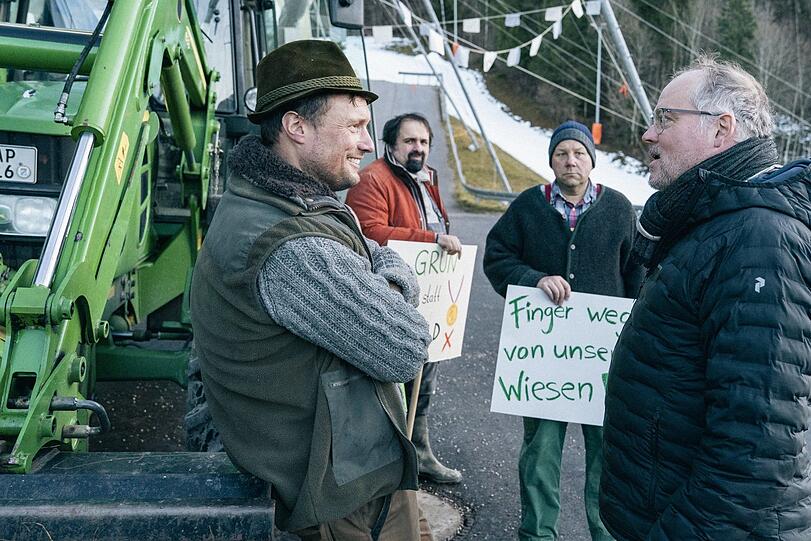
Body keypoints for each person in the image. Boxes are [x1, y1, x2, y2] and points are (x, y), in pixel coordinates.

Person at [190, 40, 435, 540]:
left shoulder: (282, 199)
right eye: (354, 126)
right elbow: (405, 347)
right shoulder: (290, 248)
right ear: (296, 127)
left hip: (352, 471)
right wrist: (388, 284)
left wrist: (371, 278)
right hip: (335, 499)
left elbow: (368, 249)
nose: (367, 144)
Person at [600, 55, 811, 540]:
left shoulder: (759, 239)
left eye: (664, 119)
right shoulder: (713, 224)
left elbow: (754, 458)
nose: (648, 134)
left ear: (721, 130)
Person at [484, 120, 644, 541]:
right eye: (561, 153)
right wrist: (532, 278)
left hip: (601, 360)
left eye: (578, 153)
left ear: (591, 159)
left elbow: (637, 274)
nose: (570, 160)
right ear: (551, 160)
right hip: (545, 361)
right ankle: (537, 534)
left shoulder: (619, 208)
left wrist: (631, 333)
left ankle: (605, 533)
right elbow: (497, 258)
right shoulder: (527, 207)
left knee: (608, 457)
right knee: (540, 453)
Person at [346, 113, 463, 484]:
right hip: (392, 297)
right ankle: (386, 463)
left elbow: (435, 224)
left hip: (428, 293)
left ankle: (419, 452)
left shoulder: (427, 179)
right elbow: (369, 232)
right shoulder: (373, 178)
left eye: (424, 142)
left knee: (424, 378)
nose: (418, 149)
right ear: (390, 144)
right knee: (392, 382)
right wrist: (431, 242)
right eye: (410, 142)